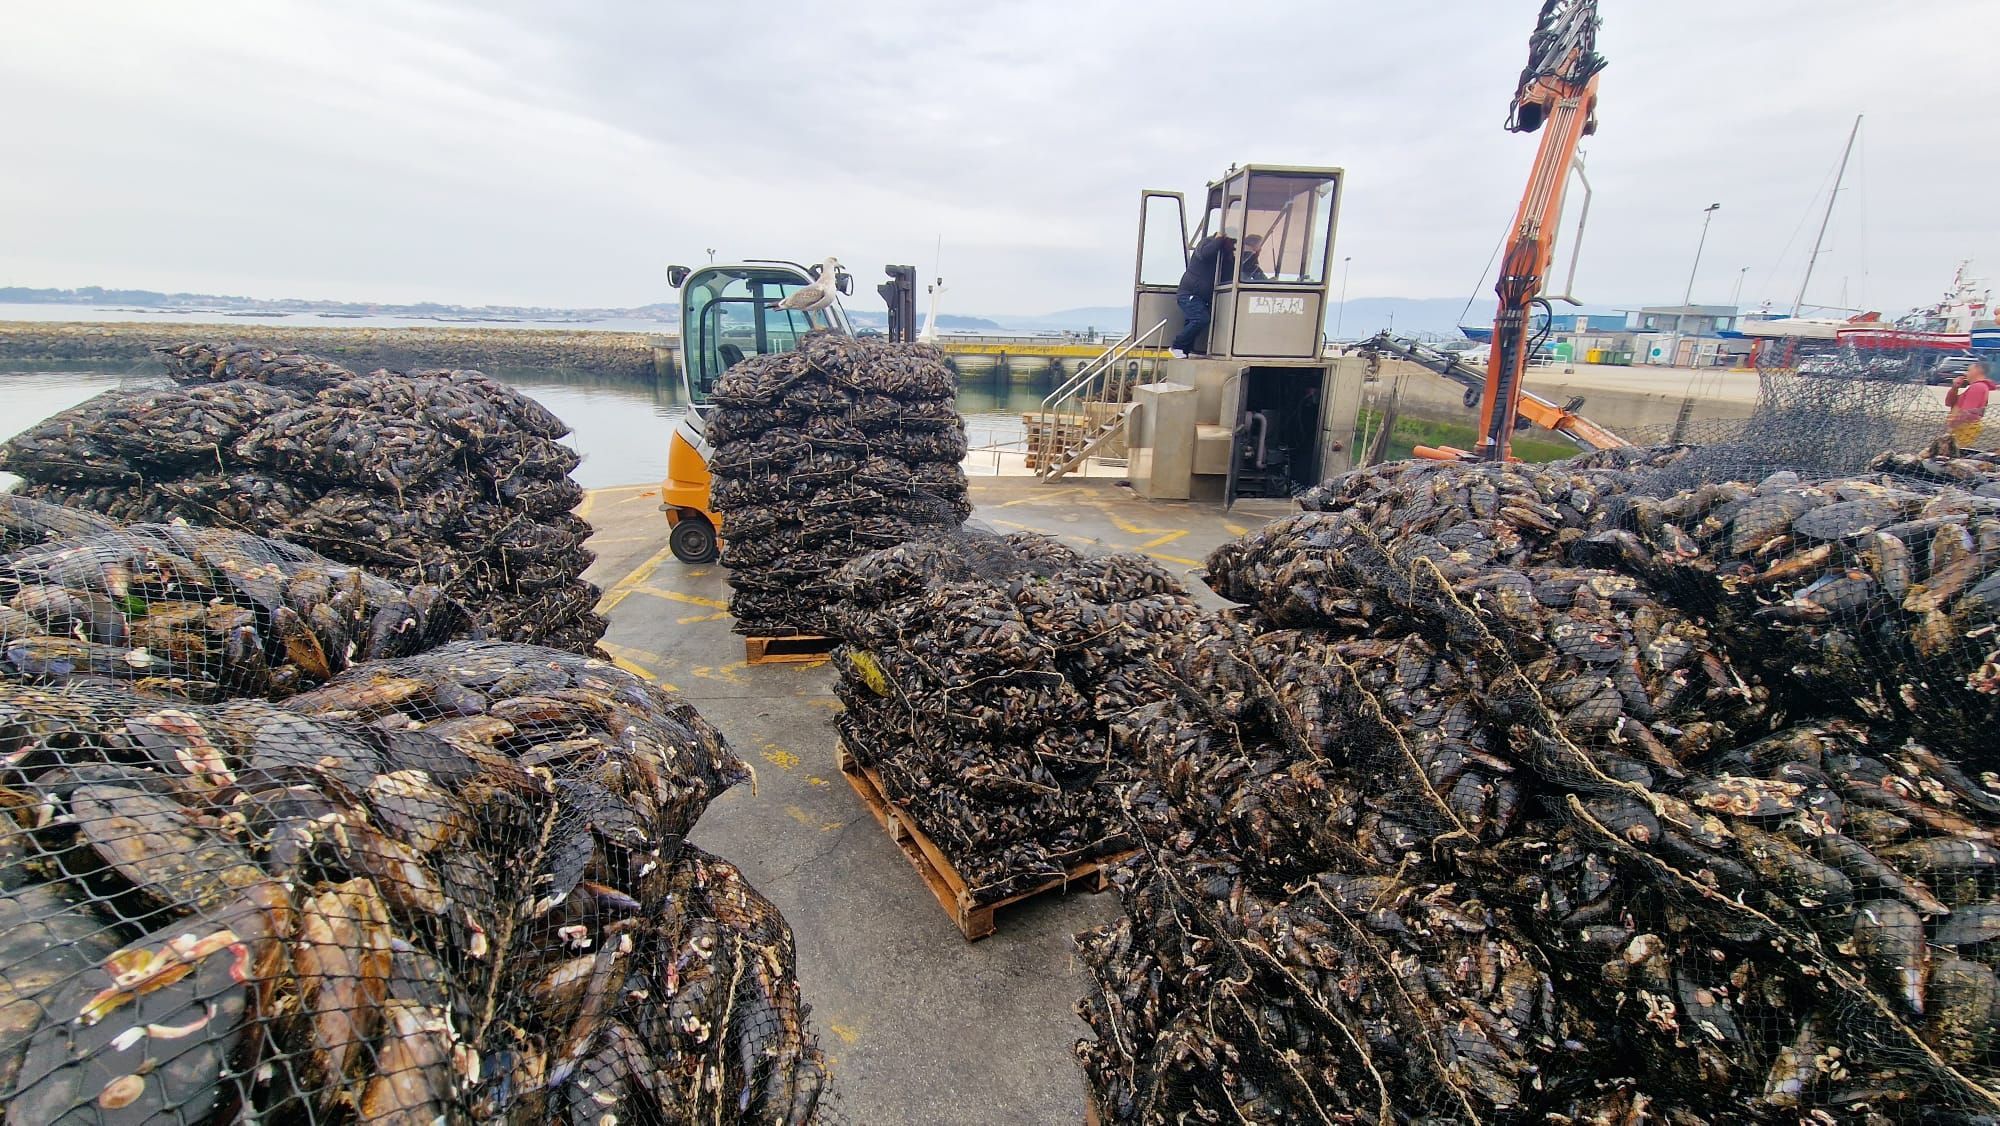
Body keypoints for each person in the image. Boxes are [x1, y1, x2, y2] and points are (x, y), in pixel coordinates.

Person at [1171, 230, 1236, 357]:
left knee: (1194, 320)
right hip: (1189, 293)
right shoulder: (1206, 243)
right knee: (1200, 319)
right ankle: (1177, 346)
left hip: (1201, 296)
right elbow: (1206, 254)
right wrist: (1218, 240)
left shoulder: (1223, 255)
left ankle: (1186, 350)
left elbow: (1230, 273)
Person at [1944, 358, 1996, 449]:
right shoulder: (1975, 387)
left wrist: (1952, 426)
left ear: (1977, 371)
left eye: (1968, 370)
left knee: (1953, 451)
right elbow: (1949, 402)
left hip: (1964, 427)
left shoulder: (1978, 387)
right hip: (1961, 426)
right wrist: (1955, 388)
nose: (1965, 373)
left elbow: (1968, 411)